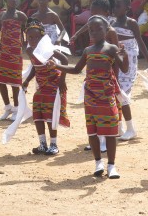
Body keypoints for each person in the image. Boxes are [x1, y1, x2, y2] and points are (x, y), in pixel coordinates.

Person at [54, 16, 129, 179]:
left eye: (98, 29)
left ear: (106, 30)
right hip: (90, 96)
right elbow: (76, 69)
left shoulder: (111, 49)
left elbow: (124, 68)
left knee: (110, 131)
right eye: (91, 30)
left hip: (106, 95)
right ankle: (98, 163)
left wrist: (126, 55)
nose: (94, 33)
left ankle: (111, 166)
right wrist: (57, 66)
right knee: (93, 131)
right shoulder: (88, 51)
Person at [111, 0, 148, 140]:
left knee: (122, 93)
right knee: (116, 92)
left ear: (127, 8)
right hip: (117, 61)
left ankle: (131, 129)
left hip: (129, 62)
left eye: (119, 6)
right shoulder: (112, 23)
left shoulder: (131, 23)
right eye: (114, 5)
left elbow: (141, 42)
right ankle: (119, 127)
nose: (115, 8)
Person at [22, 18, 70, 155]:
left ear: (42, 37)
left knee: (50, 115)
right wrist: (27, 81)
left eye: (36, 37)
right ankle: (42, 143)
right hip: (41, 86)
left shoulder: (48, 49)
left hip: (53, 85)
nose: (32, 39)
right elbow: (35, 67)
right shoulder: (30, 51)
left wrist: (62, 81)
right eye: (30, 37)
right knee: (38, 114)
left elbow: (65, 60)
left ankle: (53, 144)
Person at [0, 0, 27, 121]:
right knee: (1, 81)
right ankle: (7, 107)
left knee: (14, 82)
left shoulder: (21, 16)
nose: (15, 1)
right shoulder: (1, 15)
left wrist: (26, 43)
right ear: (6, 0)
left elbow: (29, 28)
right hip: (3, 52)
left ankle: (17, 109)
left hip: (15, 53)